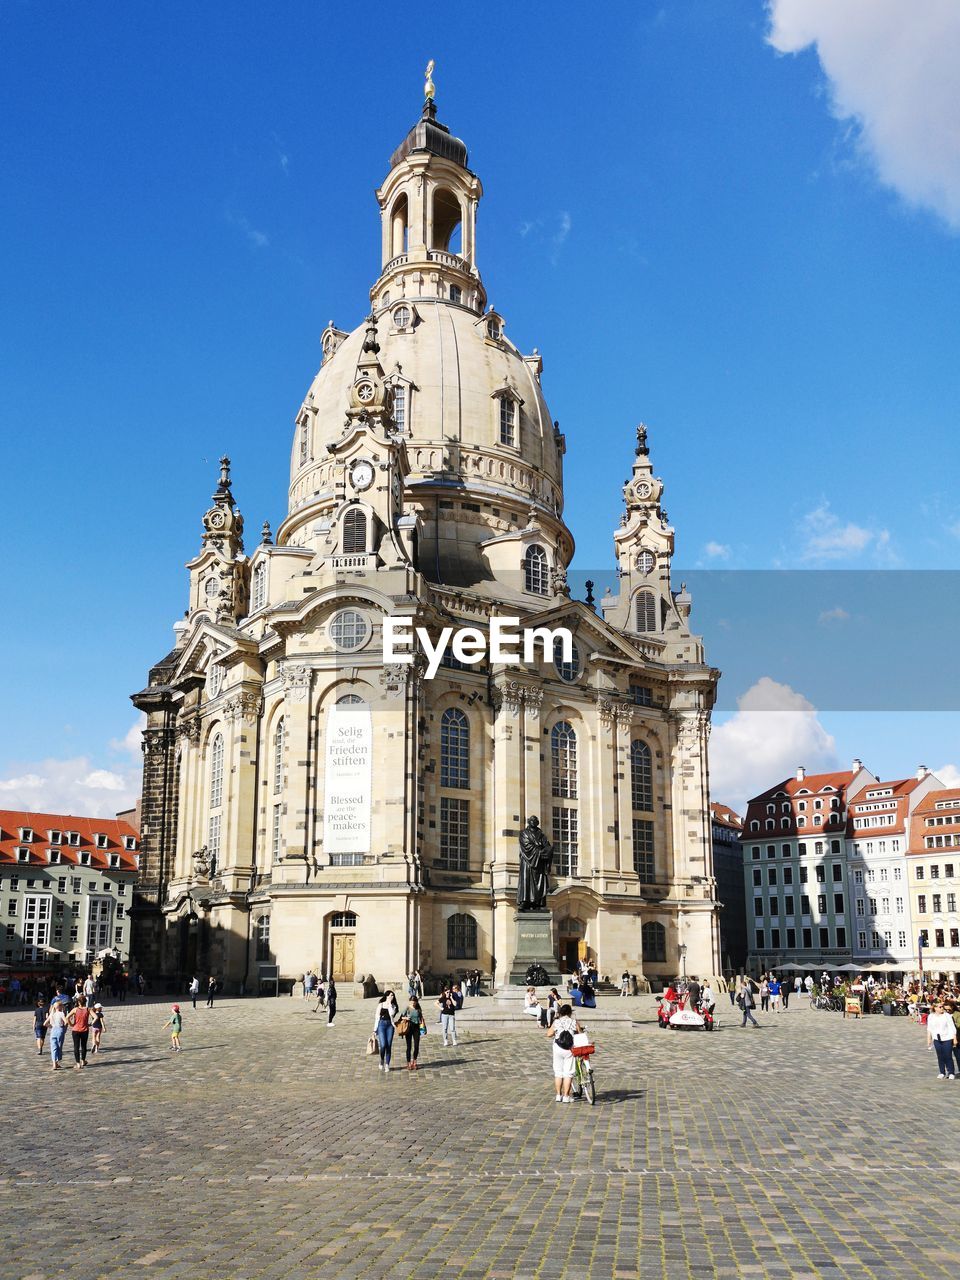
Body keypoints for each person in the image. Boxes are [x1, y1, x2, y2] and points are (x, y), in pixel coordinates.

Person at [546, 1002, 581, 1103]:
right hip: (569, 1049)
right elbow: (580, 1034)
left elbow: (548, 1034)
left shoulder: (557, 1022)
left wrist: (556, 1033)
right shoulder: (574, 1022)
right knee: (568, 1073)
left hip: (558, 1048)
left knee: (558, 1072)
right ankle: (566, 1096)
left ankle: (558, 1095)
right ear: (570, 1013)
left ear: (560, 1012)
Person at [926, 1000, 957, 1079]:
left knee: (948, 1056)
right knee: (940, 1056)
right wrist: (929, 1039)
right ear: (935, 1008)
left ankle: (951, 1072)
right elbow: (929, 1028)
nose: (942, 1008)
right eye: (940, 1007)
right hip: (937, 1039)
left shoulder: (947, 1016)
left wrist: (954, 1039)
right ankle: (942, 1072)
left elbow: (952, 1028)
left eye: (942, 1006)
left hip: (947, 1038)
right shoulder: (931, 1016)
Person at [373, 990, 398, 1071]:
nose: (392, 997)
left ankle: (387, 1064)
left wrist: (390, 1004)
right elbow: (377, 1018)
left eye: (393, 995)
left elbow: (391, 1014)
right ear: (386, 996)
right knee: (383, 1045)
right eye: (391, 995)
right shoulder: (380, 1005)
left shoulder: (393, 1006)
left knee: (388, 1045)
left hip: (390, 1026)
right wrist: (374, 1030)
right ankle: (381, 1060)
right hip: (381, 1025)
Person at [399, 995, 425, 1070]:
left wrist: (422, 1023)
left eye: (414, 1002)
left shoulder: (418, 1009)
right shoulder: (407, 1008)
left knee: (416, 1045)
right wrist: (406, 1018)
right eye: (412, 1002)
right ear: (410, 1001)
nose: (413, 1003)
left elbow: (421, 1017)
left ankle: (415, 1062)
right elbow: (400, 1017)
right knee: (409, 1046)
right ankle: (408, 1063)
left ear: (416, 1002)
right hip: (409, 1028)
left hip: (416, 1028)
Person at [67, 997, 91, 1069]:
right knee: (84, 1046)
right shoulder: (88, 1009)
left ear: (79, 1002)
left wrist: (71, 1024)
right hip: (85, 1030)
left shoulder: (75, 1009)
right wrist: (90, 1024)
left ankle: (78, 1063)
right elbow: (96, 1017)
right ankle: (83, 1061)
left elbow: (67, 1017)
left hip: (75, 1030)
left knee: (76, 1047)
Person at [46, 997, 68, 1070]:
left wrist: (51, 1026)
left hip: (53, 1031)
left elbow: (45, 1023)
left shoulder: (52, 1014)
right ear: (60, 1007)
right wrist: (63, 1028)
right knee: (59, 1047)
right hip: (59, 1030)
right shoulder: (61, 1013)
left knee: (53, 1048)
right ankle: (57, 1061)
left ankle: (54, 1064)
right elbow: (66, 1022)